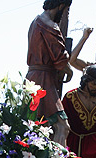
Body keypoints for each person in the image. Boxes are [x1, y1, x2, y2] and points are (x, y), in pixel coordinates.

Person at [26, 0, 73, 145]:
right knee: (62, 125)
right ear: (60, 6)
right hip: (43, 80)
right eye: (65, 10)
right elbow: (60, 60)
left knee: (38, 125)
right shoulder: (50, 26)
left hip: (32, 78)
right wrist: (69, 70)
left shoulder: (35, 22)